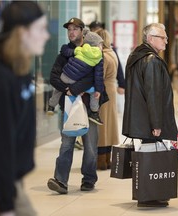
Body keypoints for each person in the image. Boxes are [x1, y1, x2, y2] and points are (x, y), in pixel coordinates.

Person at [0, 1, 49, 215]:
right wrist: (6, 205)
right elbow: (0, 145)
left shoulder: (22, 71)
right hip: (2, 183)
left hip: (12, 180)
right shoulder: (1, 79)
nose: (46, 36)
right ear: (22, 33)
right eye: (41, 29)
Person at [122, 23, 177, 207]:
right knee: (151, 157)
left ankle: (150, 194)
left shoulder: (136, 55)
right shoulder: (151, 60)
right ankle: (149, 196)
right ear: (151, 39)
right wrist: (156, 123)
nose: (167, 41)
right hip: (149, 118)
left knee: (147, 155)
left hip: (140, 117)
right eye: (163, 38)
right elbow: (153, 93)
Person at [47, 17, 99, 194]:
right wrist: (68, 90)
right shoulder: (63, 55)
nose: (71, 32)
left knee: (90, 147)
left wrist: (75, 88)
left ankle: (89, 179)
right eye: (69, 29)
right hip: (68, 107)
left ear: (82, 31)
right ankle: (60, 181)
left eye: (75, 29)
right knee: (66, 144)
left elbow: (94, 77)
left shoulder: (93, 52)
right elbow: (53, 77)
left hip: (89, 108)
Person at [47, 31, 105, 125]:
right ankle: (94, 112)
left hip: (65, 75)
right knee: (94, 92)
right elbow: (98, 76)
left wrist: (64, 48)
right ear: (97, 45)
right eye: (101, 45)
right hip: (77, 81)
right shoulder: (99, 58)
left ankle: (51, 105)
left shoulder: (80, 49)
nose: (102, 47)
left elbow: (67, 51)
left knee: (58, 89)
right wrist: (98, 90)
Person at [95, 29, 120, 170]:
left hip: (103, 91)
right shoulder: (112, 53)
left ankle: (101, 161)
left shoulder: (103, 56)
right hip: (112, 90)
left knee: (102, 126)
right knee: (110, 124)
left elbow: (100, 76)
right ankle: (108, 159)